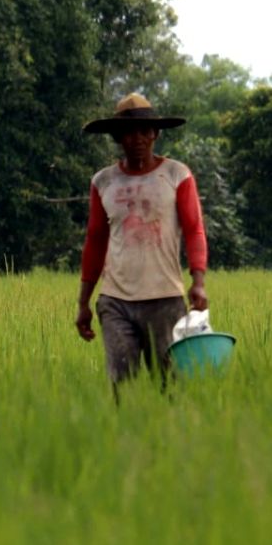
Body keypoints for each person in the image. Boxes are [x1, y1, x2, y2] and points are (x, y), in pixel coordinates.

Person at [75, 92, 209, 395]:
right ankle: (123, 437)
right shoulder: (103, 182)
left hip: (164, 299)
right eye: (128, 132)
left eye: (144, 131)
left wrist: (198, 281)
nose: (137, 138)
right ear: (118, 138)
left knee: (169, 383)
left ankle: (169, 437)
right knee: (122, 385)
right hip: (115, 300)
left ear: (156, 134)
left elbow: (194, 230)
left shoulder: (176, 174)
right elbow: (95, 241)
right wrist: (83, 302)